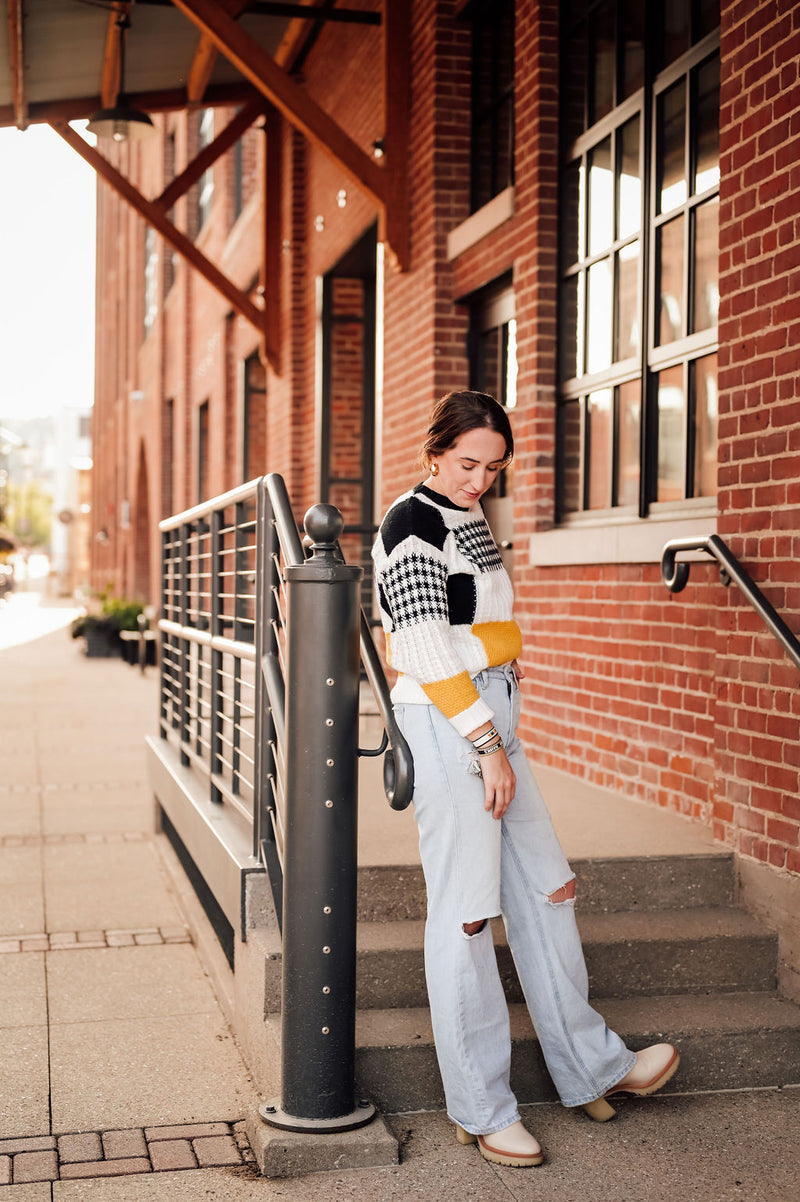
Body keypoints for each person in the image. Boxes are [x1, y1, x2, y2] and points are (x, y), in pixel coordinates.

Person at [372, 390, 679, 1168]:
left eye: (493, 468)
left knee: (547, 891)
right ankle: (482, 1107)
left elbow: (487, 632)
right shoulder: (410, 521)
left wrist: (500, 689)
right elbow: (424, 646)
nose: (480, 480)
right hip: (451, 729)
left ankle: (595, 1068)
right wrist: (487, 739)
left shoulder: (467, 518)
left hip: (489, 720)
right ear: (435, 450)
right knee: (469, 914)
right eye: (468, 463)